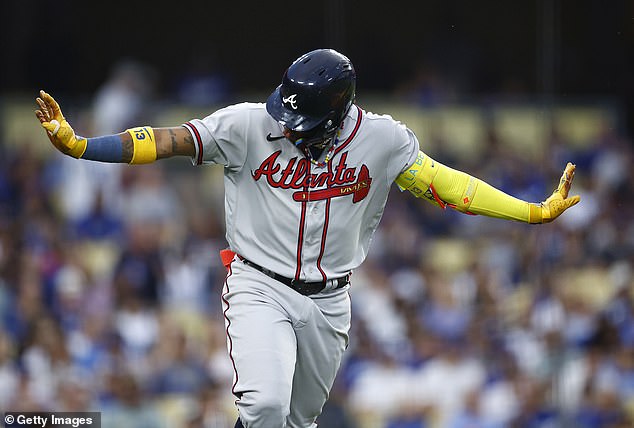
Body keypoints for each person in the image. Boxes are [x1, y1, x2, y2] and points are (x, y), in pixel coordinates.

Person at [35, 48, 580, 428]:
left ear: (339, 111)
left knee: (298, 423)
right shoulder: (249, 124)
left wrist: (528, 212)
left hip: (331, 301)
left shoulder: (382, 139)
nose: (289, 127)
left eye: (304, 120)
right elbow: (168, 140)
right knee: (265, 408)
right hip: (258, 285)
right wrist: (85, 147)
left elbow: (447, 184)